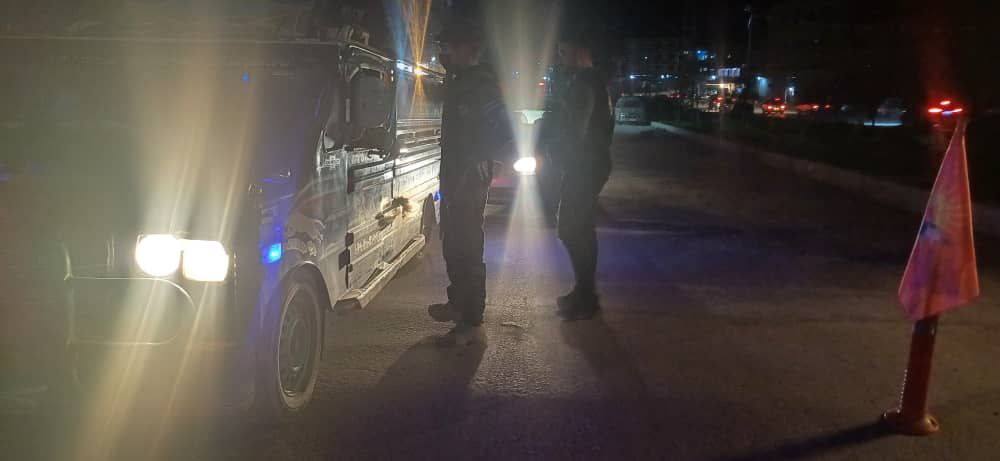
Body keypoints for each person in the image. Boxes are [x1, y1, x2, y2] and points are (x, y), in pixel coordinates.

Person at [427, 17, 514, 346]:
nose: (443, 52)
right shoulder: (459, 80)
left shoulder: (482, 84)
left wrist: (481, 160)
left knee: (467, 244)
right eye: (441, 46)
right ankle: (458, 303)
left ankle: (471, 316)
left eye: (448, 46)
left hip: (470, 176)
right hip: (454, 174)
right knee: (453, 241)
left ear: (468, 48)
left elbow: (503, 130)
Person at [545, 35, 614, 320]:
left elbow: (577, 129)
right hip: (593, 163)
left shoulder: (584, 82)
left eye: (564, 51)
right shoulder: (596, 80)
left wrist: (556, 152)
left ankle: (586, 296)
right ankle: (585, 292)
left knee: (571, 229)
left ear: (580, 50)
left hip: (584, 165)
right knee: (581, 227)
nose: (560, 57)